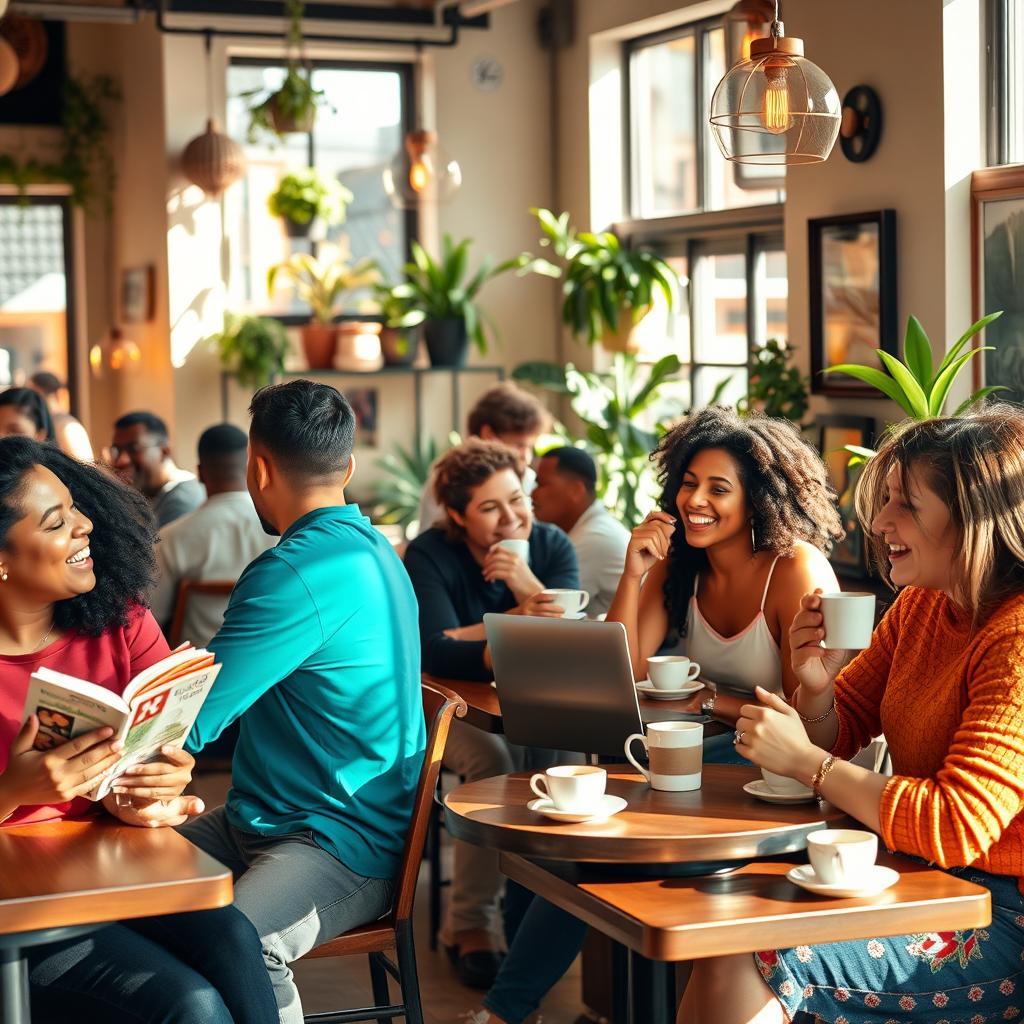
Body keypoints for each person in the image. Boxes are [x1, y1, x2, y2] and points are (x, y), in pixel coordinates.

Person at [462, 406, 844, 1024]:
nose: (696, 500)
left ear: (761, 500)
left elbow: (818, 714)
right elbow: (626, 670)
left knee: (595, 851)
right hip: (692, 759)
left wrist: (711, 702)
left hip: (771, 776)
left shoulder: (793, 569)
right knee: (578, 845)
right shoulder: (682, 562)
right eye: (689, 483)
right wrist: (636, 573)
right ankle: (514, 1010)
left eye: (719, 488)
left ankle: (505, 1012)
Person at [680, 407, 1024, 1024]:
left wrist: (808, 764)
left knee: (748, 952)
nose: (880, 520)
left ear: (974, 520)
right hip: (921, 878)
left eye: (906, 505)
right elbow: (843, 727)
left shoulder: (1016, 637)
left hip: (1001, 914)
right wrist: (815, 685)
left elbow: (957, 824)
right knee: (725, 939)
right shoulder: (922, 604)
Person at [0, 436, 276, 1024]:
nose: (84, 528)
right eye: (56, 524)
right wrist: (11, 792)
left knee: (234, 940)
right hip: (17, 911)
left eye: (77, 508)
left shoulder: (119, 618)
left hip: (120, 871)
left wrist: (155, 785)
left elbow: (159, 756)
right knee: (190, 1005)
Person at [178, 380, 426, 1024]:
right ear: (346, 467)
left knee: (243, 941)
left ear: (257, 469)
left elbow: (195, 718)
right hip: (261, 822)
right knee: (131, 886)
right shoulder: (378, 551)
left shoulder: (293, 570)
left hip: (339, 843)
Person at [403, 438, 579, 990]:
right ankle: (471, 924)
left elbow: (572, 644)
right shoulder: (431, 553)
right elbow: (432, 649)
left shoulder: (550, 545)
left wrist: (524, 593)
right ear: (457, 514)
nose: (512, 518)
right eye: (489, 508)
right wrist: (520, 623)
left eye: (516, 500)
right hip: (440, 704)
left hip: (531, 701)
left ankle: (535, 907)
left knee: (565, 762)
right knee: (496, 763)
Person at [150, 423, 276, 645]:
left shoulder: (171, 538)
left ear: (199, 473)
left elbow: (152, 618)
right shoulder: (280, 531)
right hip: (268, 666)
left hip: (196, 671)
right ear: (250, 468)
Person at [416, 382, 550, 535]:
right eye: (519, 445)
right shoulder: (447, 481)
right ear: (488, 435)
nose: (526, 456)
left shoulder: (528, 478)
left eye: (530, 447)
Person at [530, 446, 630, 618]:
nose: (533, 493)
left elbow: (551, 613)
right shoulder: (590, 527)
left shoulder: (594, 538)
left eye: (542, 484)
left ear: (576, 490)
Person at [110, 411, 205, 528]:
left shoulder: (182, 502)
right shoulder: (151, 496)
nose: (121, 460)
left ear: (164, 452)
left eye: (133, 449)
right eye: (116, 450)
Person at [29, 371, 95, 460]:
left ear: (53, 394)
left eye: (35, 397)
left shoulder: (67, 426)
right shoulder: (48, 423)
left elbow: (84, 466)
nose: (30, 403)